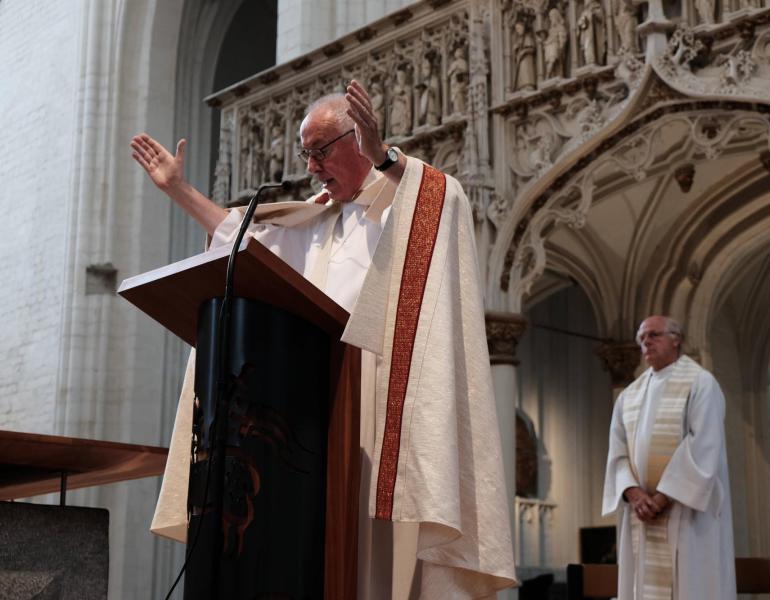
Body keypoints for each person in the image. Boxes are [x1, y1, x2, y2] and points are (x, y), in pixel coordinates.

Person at [131, 80, 516, 598]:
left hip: (382, 415)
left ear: (358, 140)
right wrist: (179, 190)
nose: (310, 166)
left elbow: (444, 201)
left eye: (320, 151)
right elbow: (242, 242)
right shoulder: (313, 220)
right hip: (310, 418)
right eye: (304, 153)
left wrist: (384, 157)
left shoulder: (405, 201)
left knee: (376, 565)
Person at [602, 316, 736, 600]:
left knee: (689, 584)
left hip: (685, 511)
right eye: (641, 338)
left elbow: (703, 446)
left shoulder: (701, 383)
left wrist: (662, 499)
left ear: (677, 339)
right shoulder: (629, 395)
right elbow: (617, 451)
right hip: (642, 515)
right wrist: (635, 495)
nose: (646, 342)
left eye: (654, 335)